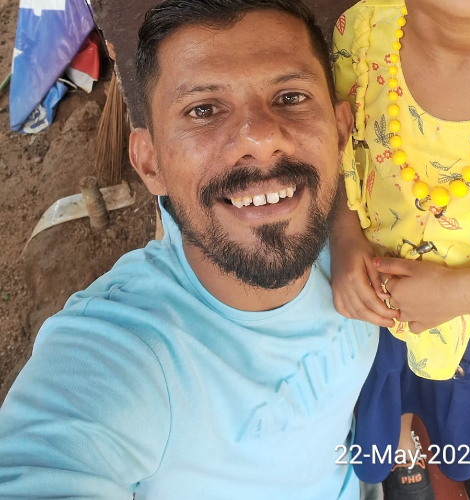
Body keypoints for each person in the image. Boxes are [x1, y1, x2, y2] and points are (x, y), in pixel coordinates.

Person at [0, 1, 379, 499]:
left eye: (290, 97)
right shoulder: (127, 349)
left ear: (341, 129)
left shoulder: (370, 230)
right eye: (203, 110)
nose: (261, 137)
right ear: (149, 163)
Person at [331, 0, 470, 499]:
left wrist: (466, 292)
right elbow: (336, 145)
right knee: (389, 383)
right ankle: (402, 444)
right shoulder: (361, 32)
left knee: (463, 407)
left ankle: (456, 449)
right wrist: (344, 234)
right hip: (374, 306)